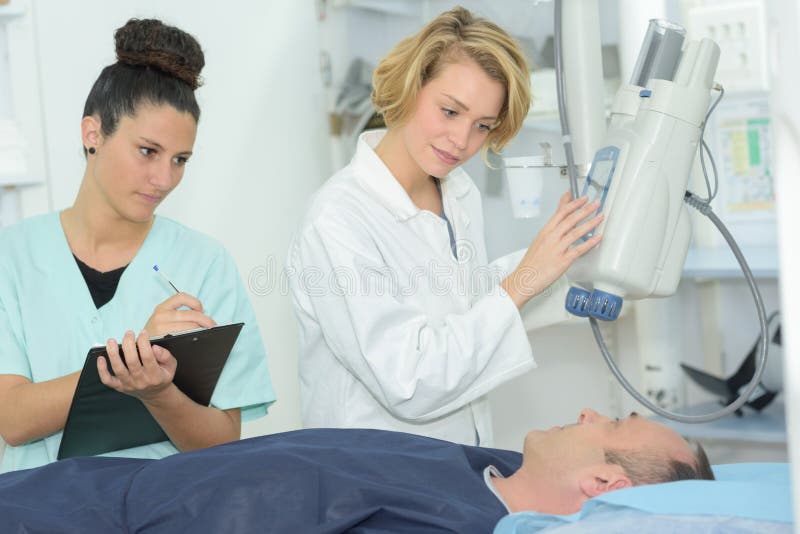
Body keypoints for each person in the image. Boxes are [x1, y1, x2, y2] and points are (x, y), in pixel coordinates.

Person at [288, 7, 603, 445]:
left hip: (454, 457)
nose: (462, 141)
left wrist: (562, 263)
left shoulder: (458, 193)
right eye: (450, 111)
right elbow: (409, 381)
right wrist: (527, 278)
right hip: (373, 472)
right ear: (411, 86)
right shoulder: (338, 219)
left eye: (482, 126)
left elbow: (464, 305)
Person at [0, 19, 275, 472]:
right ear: (93, 134)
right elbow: (10, 418)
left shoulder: (205, 263)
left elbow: (222, 442)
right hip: (41, 509)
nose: (164, 179)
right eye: (148, 151)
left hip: (165, 508)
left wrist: (158, 391)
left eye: (180, 160)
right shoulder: (12, 257)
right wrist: (128, 360)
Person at [0, 408, 713, 533]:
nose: (588, 413)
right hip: (75, 487)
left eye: (610, 426)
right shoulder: (484, 468)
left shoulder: (458, 523)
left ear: (605, 485)